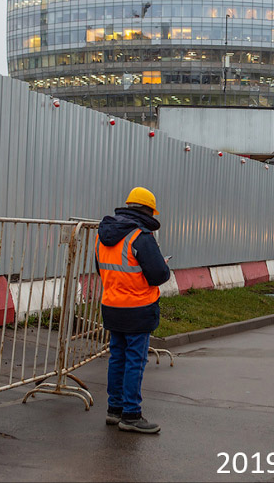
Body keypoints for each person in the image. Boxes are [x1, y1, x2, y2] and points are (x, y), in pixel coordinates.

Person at [97, 186, 171, 434]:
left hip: (111, 306)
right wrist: (162, 264)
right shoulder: (141, 237)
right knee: (134, 362)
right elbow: (159, 275)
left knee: (117, 358)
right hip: (138, 308)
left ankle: (114, 410)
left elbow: (104, 269)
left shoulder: (103, 235)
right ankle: (131, 414)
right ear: (149, 210)